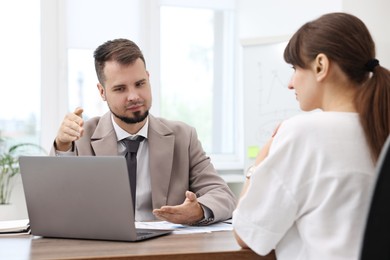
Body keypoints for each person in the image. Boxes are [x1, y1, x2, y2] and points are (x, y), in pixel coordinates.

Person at [233, 12, 390, 259]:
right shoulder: (383, 127)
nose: (290, 83)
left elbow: (246, 235)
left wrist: (259, 162)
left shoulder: (303, 132)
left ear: (320, 65)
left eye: (295, 68)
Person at [51, 38, 236, 225]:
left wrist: (197, 210)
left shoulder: (183, 136)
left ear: (148, 79)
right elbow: (55, 202)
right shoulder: (82, 138)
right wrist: (62, 145)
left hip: (164, 248)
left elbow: (223, 195)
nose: (134, 96)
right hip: (104, 248)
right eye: (120, 88)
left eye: (140, 84)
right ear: (102, 92)